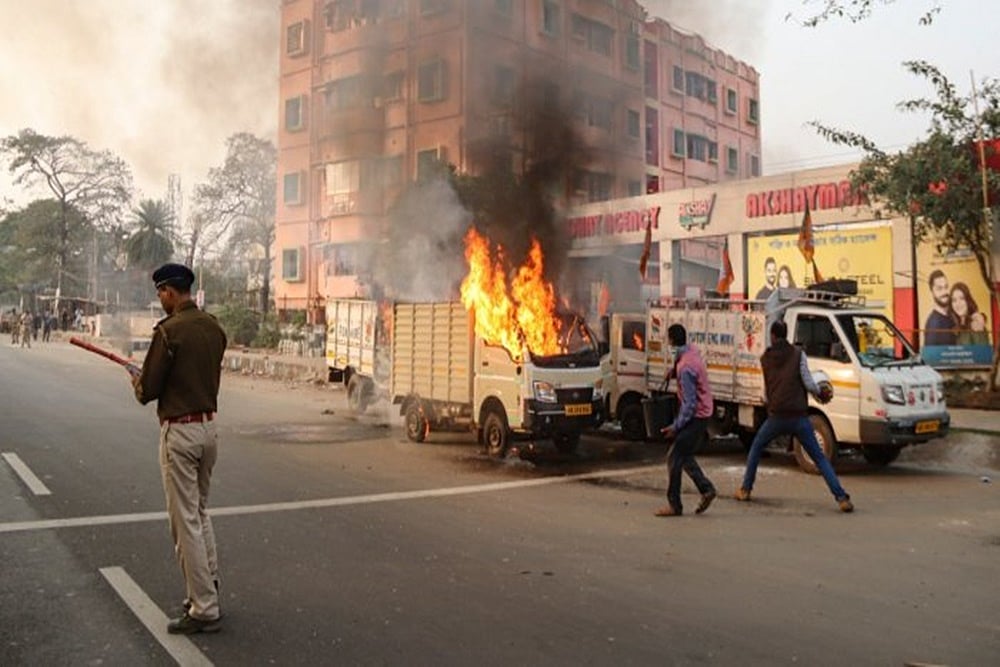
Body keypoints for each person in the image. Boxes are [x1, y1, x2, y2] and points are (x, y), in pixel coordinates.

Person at [131, 263, 228, 635]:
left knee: (184, 521)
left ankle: (203, 607)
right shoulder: (214, 327)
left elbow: (149, 389)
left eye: (160, 293)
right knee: (199, 514)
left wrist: (137, 383)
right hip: (208, 429)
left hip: (181, 434)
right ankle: (209, 585)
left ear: (170, 292)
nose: (160, 300)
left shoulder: (169, 331)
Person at [735, 320, 854, 513]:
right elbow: (808, 382)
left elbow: (766, 390)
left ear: (773, 336)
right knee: (819, 458)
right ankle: (841, 498)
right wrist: (820, 393)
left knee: (756, 448)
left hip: (776, 416)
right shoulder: (798, 355)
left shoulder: (765, 358)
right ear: (786, 334)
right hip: (799, 416)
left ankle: (745, 489)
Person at [654, 323, 717, 517]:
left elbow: (689, 404)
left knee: (674, 457)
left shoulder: (686, 367)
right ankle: (706, 489)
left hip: (697, 415)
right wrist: (672, 372)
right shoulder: (690, 352)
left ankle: (675, 505)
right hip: (704, 411)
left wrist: (676, 426)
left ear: (672, 341)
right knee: (684, 455)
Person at [950, 282, 990, 346]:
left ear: (968, 300)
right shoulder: (956, 326)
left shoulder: (976, 323)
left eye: (962, 298)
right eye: (954, 300)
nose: (958, 304)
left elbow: (982, 354)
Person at [924, 270, 956, 346]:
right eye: (939, 288)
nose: (944, 292)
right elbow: (931, 356)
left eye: (946, 287)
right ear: (932, 292)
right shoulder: (933, 325)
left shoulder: (953, 312)